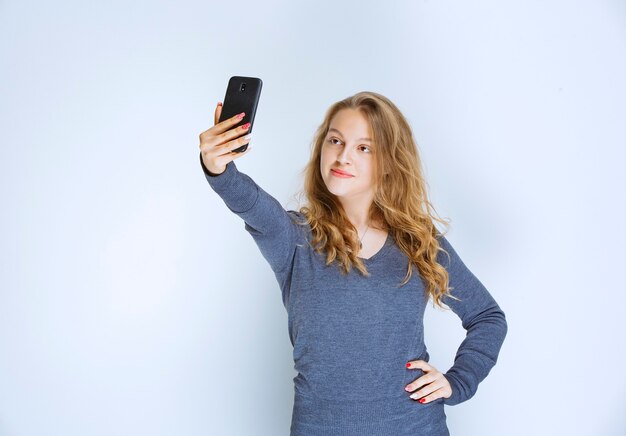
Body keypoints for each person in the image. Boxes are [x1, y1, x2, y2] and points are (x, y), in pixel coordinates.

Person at [198, 91, 508, 435]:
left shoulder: (418, 242)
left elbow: (487, 318)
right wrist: (218, 165)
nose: (342, 156)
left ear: (389, 161)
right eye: (335, 140)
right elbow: (247, 199)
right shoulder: (294, 237)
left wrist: (457, 382)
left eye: (363, 147)